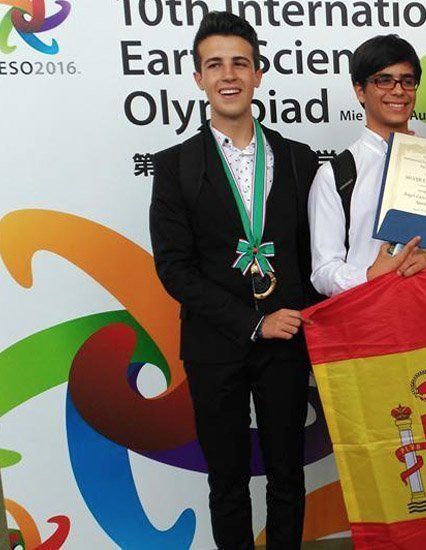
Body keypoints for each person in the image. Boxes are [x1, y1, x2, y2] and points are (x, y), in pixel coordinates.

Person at [149, 12, 319, 549]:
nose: (229, 75)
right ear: (197, 78)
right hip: (214, 345)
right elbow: (174, 268)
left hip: (287, 342)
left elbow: (314, 255)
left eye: (239, 63)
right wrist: (253, 324)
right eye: (214, 64)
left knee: (289, 478)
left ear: (259, 73)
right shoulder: (174, 166)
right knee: (227, 483)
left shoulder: (296, 159)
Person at [308, 34, 426, 297]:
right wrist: (371, 275)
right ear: (360, 90)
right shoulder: (336, 174)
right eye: (383, 80)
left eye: (407, 81)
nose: (398, 90)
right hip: (369, 324)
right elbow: (323, 271)